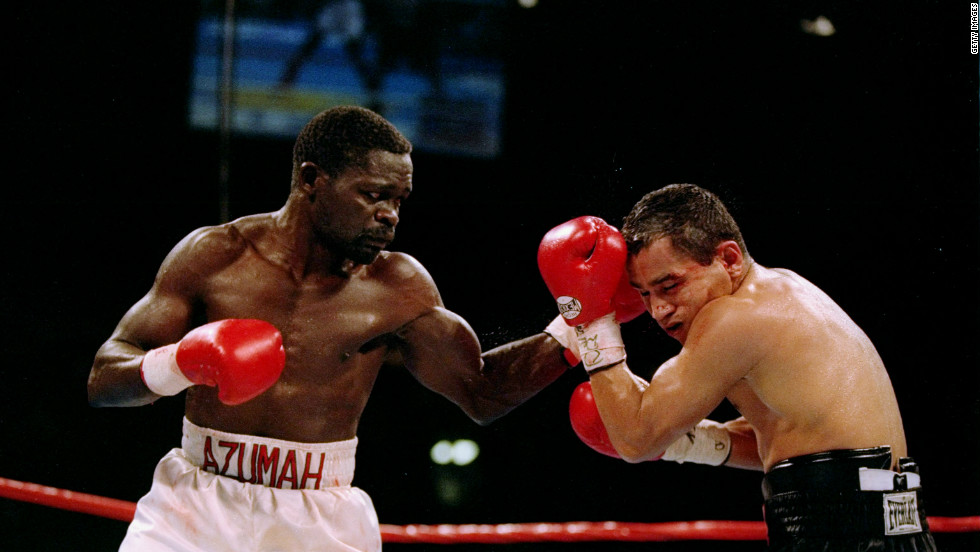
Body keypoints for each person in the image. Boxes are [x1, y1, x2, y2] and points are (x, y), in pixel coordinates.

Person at [87, 105, 572, 552]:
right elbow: (104, 381)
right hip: (193, 503)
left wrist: (580, 326)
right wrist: (179, 363)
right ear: (312, 179)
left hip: (318, 515)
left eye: (400, 200)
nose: (390, 215)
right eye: (374, 195)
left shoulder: (397, 286)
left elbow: (482, 393)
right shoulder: (215, 256)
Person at [537, 184, 937, 551]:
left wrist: (591, 322)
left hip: (843, 528)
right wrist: (687, 442)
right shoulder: (784, 291)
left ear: (727, 258)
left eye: (670, 285)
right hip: (889, 522)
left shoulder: (732, 318)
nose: (658, 310)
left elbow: (636, 439)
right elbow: (787, 434)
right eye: (645, 294)